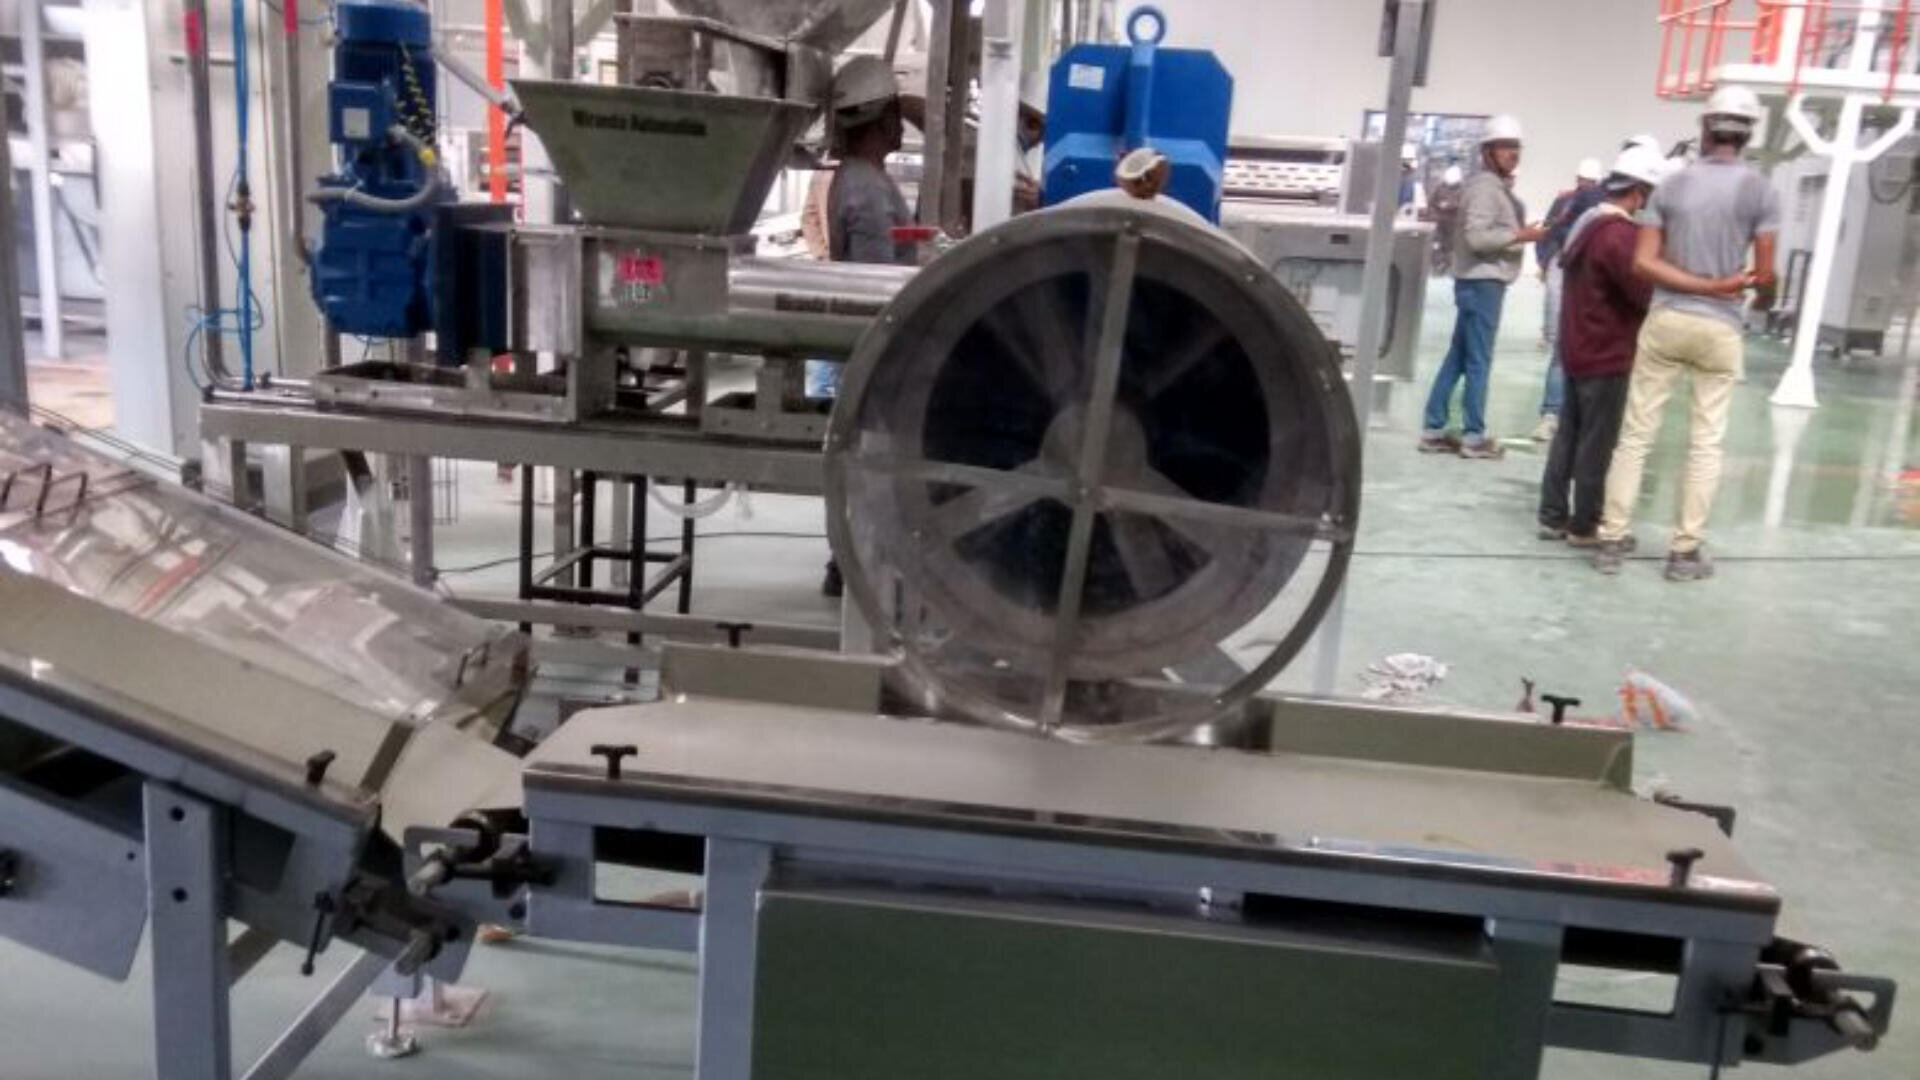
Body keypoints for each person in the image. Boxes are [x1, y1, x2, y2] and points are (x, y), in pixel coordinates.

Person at [1593, 86, 1778, 581]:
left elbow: (1645, 263)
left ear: (1704, 127)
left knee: (1635, 437)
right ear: (1748, 133)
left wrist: (1697, 284)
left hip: (1668, 320)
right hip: (1720, 328)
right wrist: (1746, 292)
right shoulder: (1760, 189)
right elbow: (1763, 275)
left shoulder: (1671, 186)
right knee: (1705, 443)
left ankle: (1611, 540)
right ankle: (1684, 552)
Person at [814, 55, 918, 597]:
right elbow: (879, 282)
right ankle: (856, 563)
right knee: (877, 461)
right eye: (897, 113)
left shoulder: (858, 179)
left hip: (868, 341)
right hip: (879, 342)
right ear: (879, 120)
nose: (902, 125)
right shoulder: (867, 189)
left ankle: (849, 559)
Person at [1536, 146, 1667, 546]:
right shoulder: (1619, 236)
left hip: (1577, 348)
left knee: (1568, 437)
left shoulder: (1587, 224)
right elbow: (1642, 293)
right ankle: (1584, 524)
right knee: (1597, 443)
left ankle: (1553, 515)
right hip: (1606, 352)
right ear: (1640, 192)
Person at [1418, 114, 1547, 459]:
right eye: (1505, 147)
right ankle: (1474, 437)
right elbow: (1477, 237)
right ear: (1487, 151)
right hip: (1482, 282)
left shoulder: (1492, 188)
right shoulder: (1486, 189)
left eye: (1515, 147)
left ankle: (1433, 429)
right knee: (1478, 360)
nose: (1512, 153)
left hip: (1478, 282)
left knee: (1459, 357)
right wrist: (1522, 235)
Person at [1531, 156, 1605, 442]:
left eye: (1589, 182)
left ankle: (1573, 417)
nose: (1584, 186)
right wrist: (1545, 260)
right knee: (1562, 346)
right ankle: (1552, 413)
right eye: (1581, 181)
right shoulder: (1566, 203)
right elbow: (1550, 232)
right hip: (1565, 270)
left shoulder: (1605, 212)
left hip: (1587, 279)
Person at [1426, 164, 1464, 276]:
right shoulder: (1440, 187)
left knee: (1451, 246)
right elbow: (1431, 202)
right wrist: (1433, 214)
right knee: (1437, 245)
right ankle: (1438, 266)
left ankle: (1448, 267)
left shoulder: (1463, 189)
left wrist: (1451, 205)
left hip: (1454, 223)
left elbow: (1464, 205)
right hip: (1439, 221)